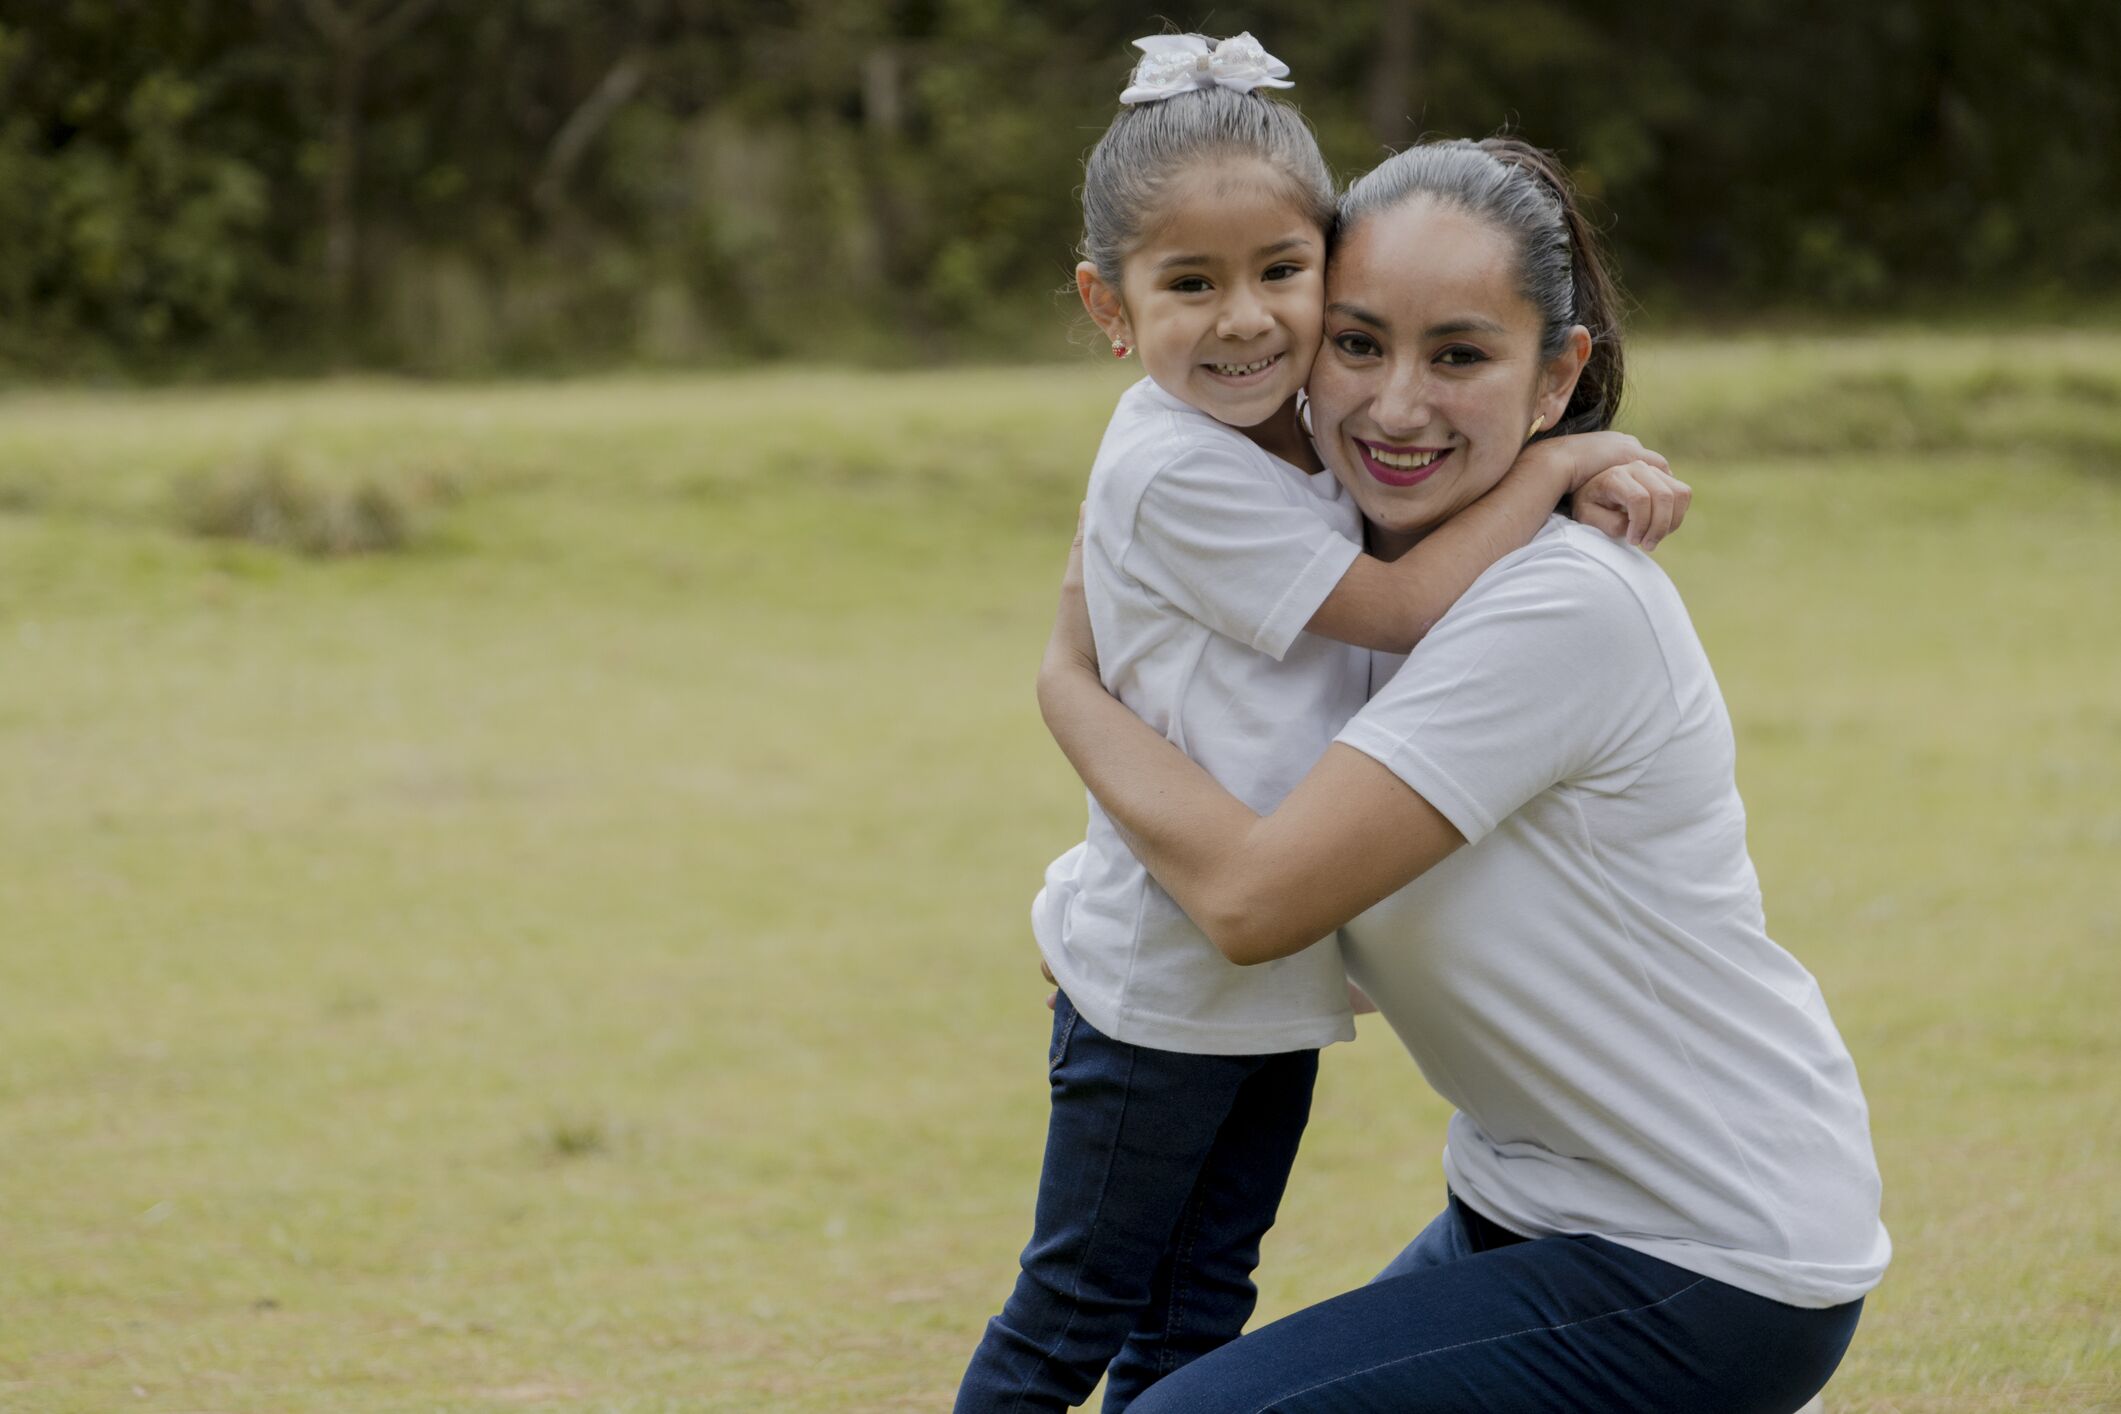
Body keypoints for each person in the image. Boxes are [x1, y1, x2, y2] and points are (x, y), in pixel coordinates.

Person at [1032, 136, 1889, 1413]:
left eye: (1462, 355)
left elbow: (1258, 903)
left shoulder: (1556, 605)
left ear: (1559, 379)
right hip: (1515, 1210)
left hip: (1709, 1255)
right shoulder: (1339, 590)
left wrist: (1062, 685)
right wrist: (1081, 893)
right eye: (1360, 342)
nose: (1395, 406)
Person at [957, 35, 1691, 1414]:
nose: (1243, 319)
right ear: (1107, 306)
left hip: (1267, 990)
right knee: (1070, 1317)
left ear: (1324, 269)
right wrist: (1561, 458)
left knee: (1204, 1303)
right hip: (1161, 987)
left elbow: (1417, 478)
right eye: (1191, 284)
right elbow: (1404, 601)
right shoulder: (1179, 464)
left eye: (1280, 276)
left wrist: (1552, 450)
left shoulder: (1299, 423)